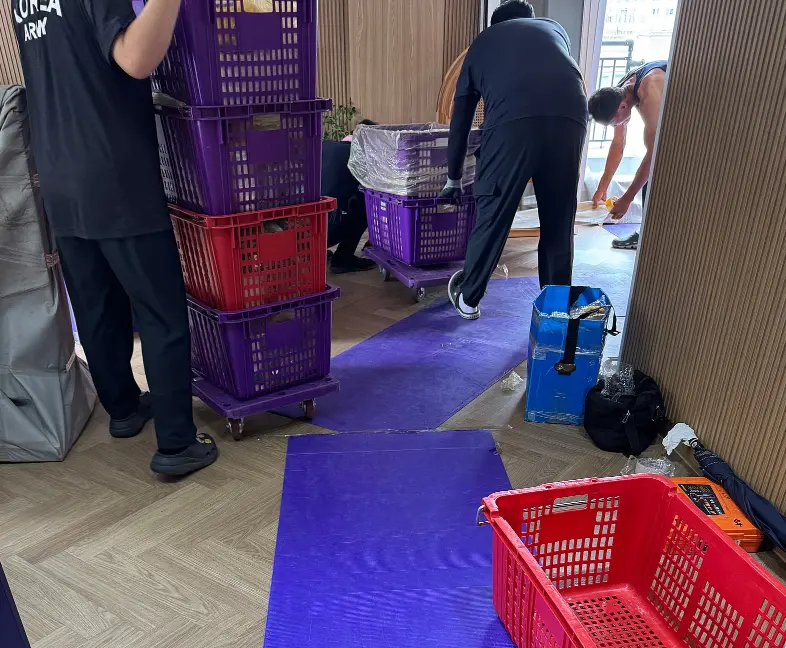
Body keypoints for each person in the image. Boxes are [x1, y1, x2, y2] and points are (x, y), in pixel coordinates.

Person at [12, 0, 218, 475]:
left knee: (96, 304)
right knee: (161, 312)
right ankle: (177, 444)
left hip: (59, 173)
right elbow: (136, 59)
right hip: (115, 173)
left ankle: (123, 409)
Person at [442, 0, 588, 320]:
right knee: (559, 220)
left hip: (511, 123)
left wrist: (453, 177)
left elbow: (460, 119)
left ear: (495, 24)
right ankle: (556, 309)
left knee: (493, 209)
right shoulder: (555, 30)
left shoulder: (483, 42)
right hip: (572, 118)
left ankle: (468, 297)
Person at [589, 61, 667, 250]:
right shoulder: (620, 93)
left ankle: (650, 240)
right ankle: (647, 237)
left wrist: (627, 199)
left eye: (614, 123)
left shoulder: (650, 90)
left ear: (622, 107)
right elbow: (618, 144)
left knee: (656, 176)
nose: (616, 126)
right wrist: (602, 187)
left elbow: (655, 153)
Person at [322, 119, 376, 273]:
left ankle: (316, 252)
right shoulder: (358, 158)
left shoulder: (325, 146)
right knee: (366, 201)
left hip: (300, 229)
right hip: (329, 230)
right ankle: (343, 258)